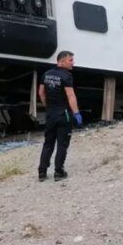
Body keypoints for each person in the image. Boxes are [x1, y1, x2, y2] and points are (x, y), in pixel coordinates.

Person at [38, 51, 82, 181]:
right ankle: (58, 172)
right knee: (62, 144)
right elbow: (70, 95)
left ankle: (42, 172)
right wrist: (76, 113)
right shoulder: (66, 76)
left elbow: (41, 93)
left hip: (50, 114)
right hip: (64, 114)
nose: (73, 63)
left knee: (48, 143)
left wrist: (48, 106)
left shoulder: (46, 74)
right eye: (70, 60)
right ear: (61, 61)